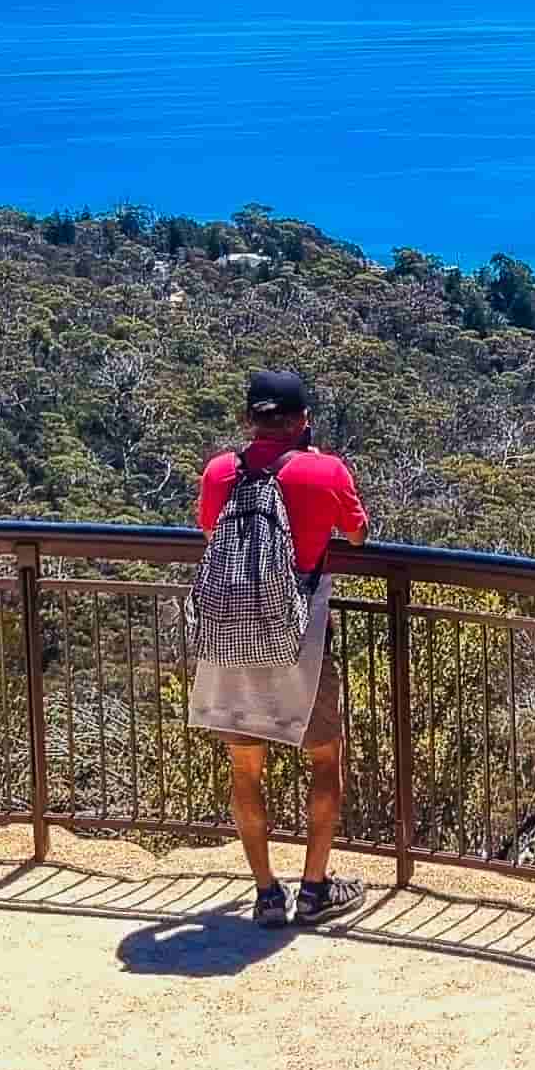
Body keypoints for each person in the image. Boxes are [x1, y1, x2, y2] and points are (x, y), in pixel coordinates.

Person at [189, 369, 371, 927]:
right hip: (301, 640)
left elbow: (206, 530)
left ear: (250, 419)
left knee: (245, 769)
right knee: (323, 759)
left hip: (229, 639)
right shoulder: (324, 470)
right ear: (303, 421)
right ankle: (315, 889)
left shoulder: (223, 471)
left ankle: (267, 894)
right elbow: (358, 534)